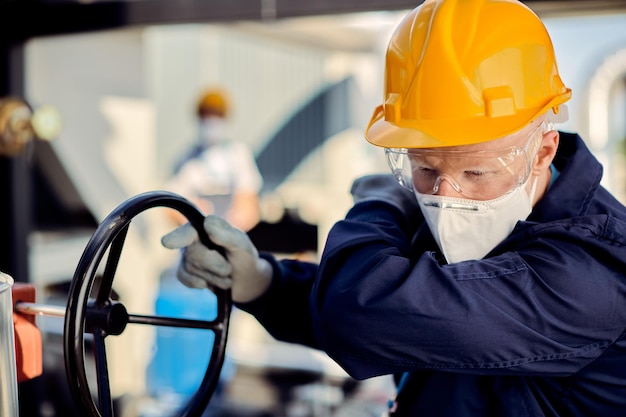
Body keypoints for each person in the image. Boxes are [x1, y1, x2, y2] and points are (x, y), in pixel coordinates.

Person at [161, 1, 626, 416]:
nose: (447, 198)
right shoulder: (499, 220)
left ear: (542, 152)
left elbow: (361, 314)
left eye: (476, 173)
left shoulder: (588, 278)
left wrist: (383, 199)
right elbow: (409, 318)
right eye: (424, 169)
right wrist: (265, 283)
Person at [166, 87, 263, 232]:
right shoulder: (186, 159)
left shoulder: (239, 153)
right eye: (206, 115)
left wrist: (241, 218)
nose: (211, 121)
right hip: (197, 238)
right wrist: (187, 214)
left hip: (230, 237)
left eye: (217, 115)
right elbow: (169, 206)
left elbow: (250, 201)